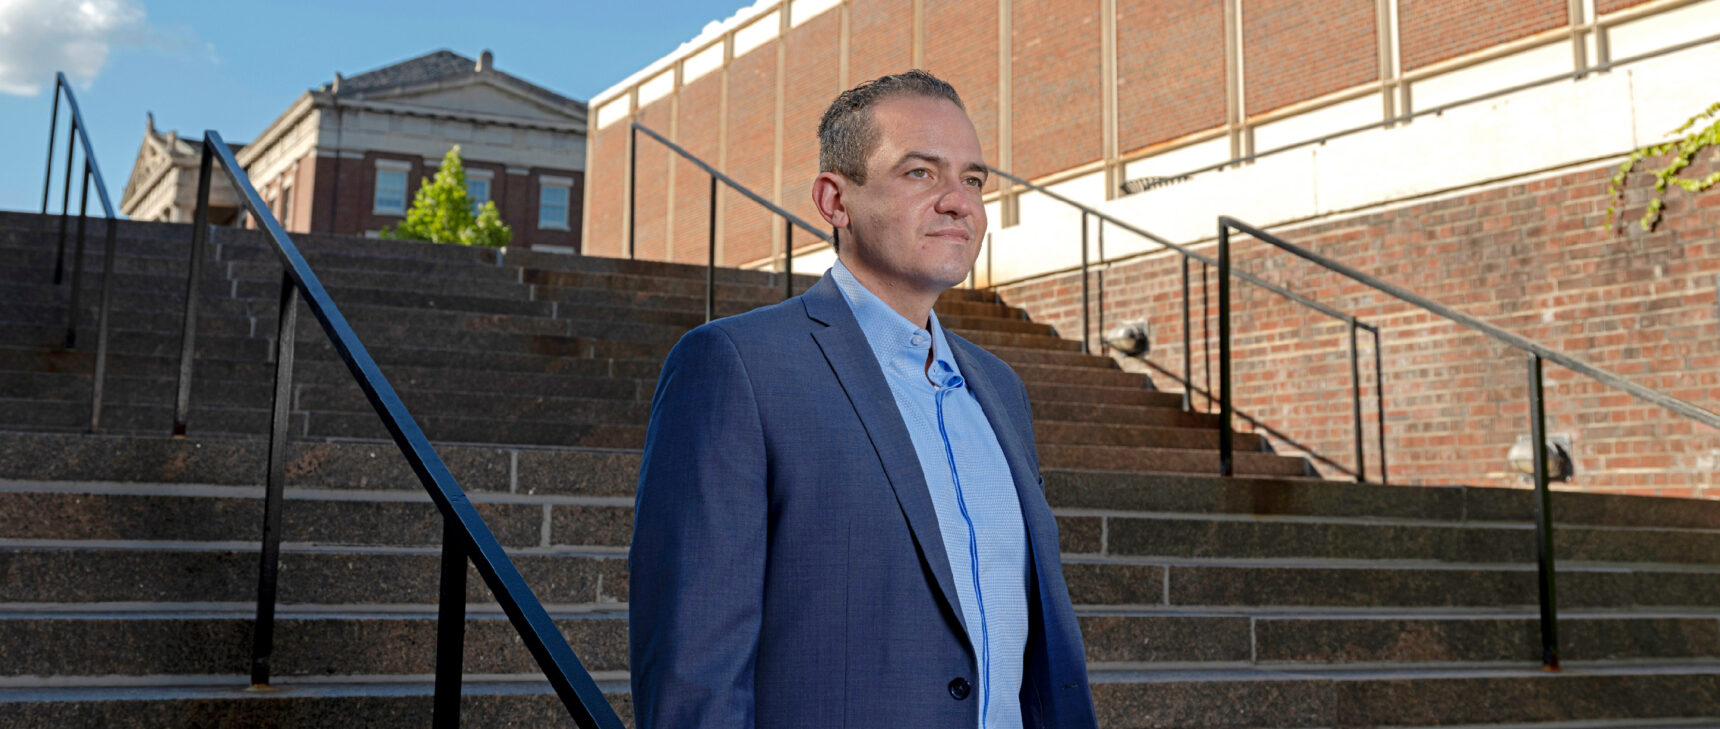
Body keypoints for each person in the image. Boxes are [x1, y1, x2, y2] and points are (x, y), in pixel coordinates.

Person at [629, 70, 1098, 729]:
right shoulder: (737, 366)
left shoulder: (1000, 388)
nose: (958, 201)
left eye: (972, 179)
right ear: (835, 200)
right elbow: (693, 673)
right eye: (919, 173)